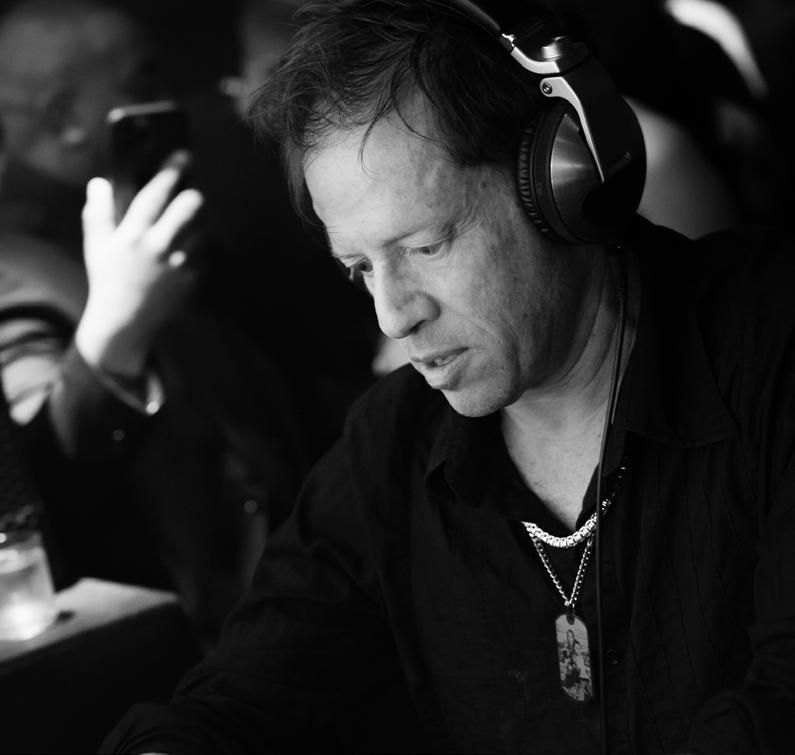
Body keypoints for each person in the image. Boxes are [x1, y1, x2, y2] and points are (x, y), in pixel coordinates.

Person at [101, 1, 795, 753]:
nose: (393, 316)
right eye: (360, 268)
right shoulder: (389, 445)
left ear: (560, 183)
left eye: (425, 246)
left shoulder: (774, 346)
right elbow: (240, 696)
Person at [0, 0, 310, 652]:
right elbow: (38, 480)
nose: (166, 100)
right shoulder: (16, 264)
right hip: (190, 632)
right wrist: (115, 332)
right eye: (141, 81)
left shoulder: (139, 216)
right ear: (63, 117)